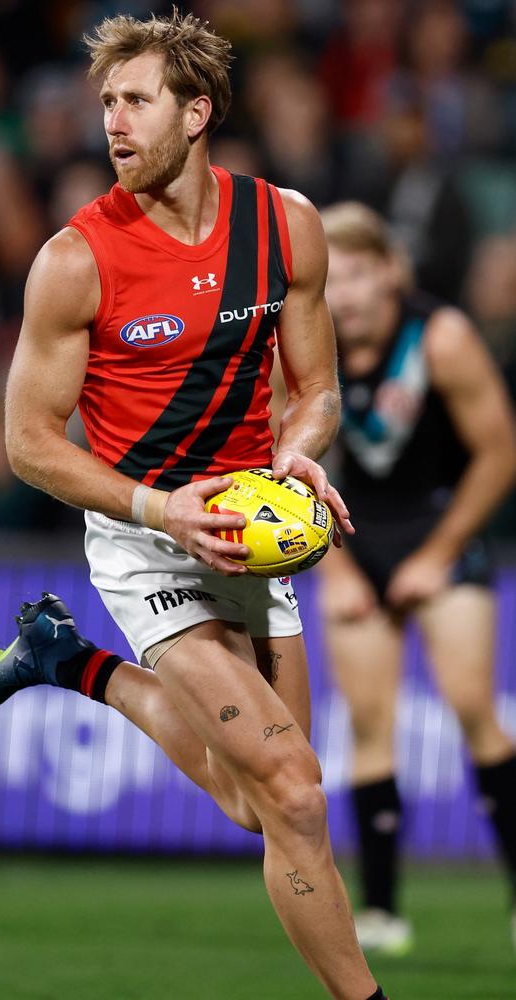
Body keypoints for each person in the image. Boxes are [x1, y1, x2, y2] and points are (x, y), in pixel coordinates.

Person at [0, 12, 389, 1000]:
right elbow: (28, 442)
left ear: (195, 111)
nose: (113, 122)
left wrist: (295, 456)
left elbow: (318, 388)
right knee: (294, 792)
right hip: (148, 537)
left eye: (136, 100)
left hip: (250, 531)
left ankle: (73, 664)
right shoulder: (74, 261)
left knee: (257, 810)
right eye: (106, 103)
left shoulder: (281, 224)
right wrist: (156, 511)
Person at [317, 201, 516, 954]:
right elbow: (281, 468)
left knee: (473, 706)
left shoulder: (442, 337)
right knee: (369, 727)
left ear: (391, 272)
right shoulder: (304, 348)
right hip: (351, 538)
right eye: (332, 277)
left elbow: (499, 453)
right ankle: (381, 912)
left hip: (442, 529)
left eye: (361, 274)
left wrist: (438, 555)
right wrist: (336, 570)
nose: (346, 295)